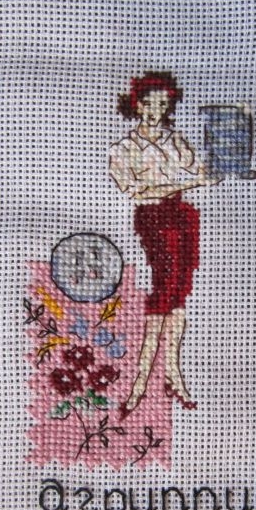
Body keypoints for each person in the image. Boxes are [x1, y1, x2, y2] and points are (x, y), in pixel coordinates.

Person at [108, 71, 220, 419]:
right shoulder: (125, 148)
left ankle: (172, 371)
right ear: (137, 106)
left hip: (183, 217)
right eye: (149, 104)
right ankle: (141, 380)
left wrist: (216, 166)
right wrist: (185, 184)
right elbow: (136, 192)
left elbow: (199, 170)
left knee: (179, 292)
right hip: (153, 219)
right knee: (163, 290)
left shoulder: (175, 140)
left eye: (162, 104)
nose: (156, 110)